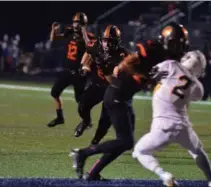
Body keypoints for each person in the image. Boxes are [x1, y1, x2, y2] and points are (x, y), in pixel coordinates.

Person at [70, 22, 167, 180]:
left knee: (126, 142)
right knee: (125, 141)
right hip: (116, 97)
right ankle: (83, 153)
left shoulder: (128, 57)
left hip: (122, 97)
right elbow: (123, 68)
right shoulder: (143, 60)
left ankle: (93, 173)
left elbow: (122, 67)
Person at [132, 28, 211, 186]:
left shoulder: (170, 65)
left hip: (162, 125)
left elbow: (152, 74)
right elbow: (193, 94)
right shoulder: (197, 85)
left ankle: (164, 175)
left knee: (139, 151)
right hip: (182, 126)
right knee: (198, 152)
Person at [74, 25, 134, 139]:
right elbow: (89, 51)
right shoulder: (96, 46)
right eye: (105, 41)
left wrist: (114, 70)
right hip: (98, 85)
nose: (107, 44)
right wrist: (84, 66)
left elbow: (115, 78)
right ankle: (86, 122)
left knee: (105, 121)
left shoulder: (123, 55)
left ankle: (96, 143)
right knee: (82, 106)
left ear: (117, 42)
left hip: (113, 88)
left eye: (110, 41)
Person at [47, 12, 95, 127]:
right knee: (54, 92)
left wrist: (83, 31)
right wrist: (54, 30)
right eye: (75, 22)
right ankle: (59, 118)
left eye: (78, 23)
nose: (75, 25)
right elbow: (54, 39)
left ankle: (87, 121)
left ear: (84, 24)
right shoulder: (70, 32)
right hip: (67, 70)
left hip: (79, 73)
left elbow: (89, 45)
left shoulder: (89, 37)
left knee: (80, 101)